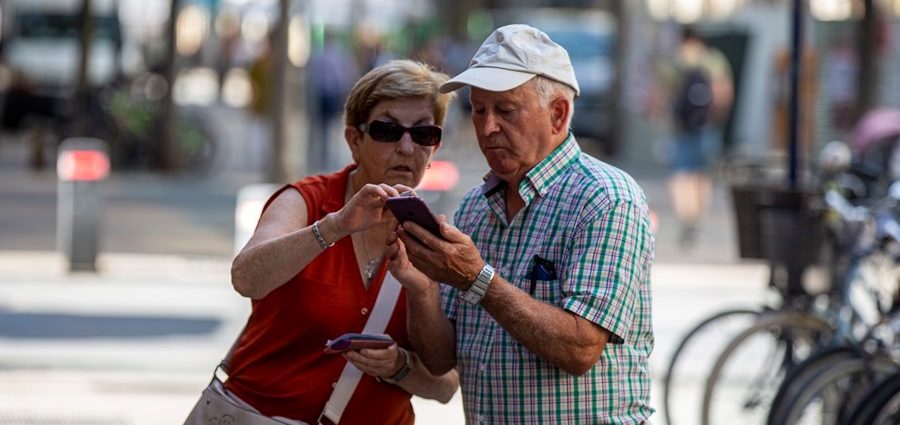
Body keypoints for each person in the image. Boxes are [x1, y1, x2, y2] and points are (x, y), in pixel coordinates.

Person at [385, 25, 655, 424]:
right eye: (478, 110)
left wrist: (477, 278)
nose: (488, 127)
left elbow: (581, 349)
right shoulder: (476, 207)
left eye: (506, 111)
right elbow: (441, 360)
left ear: (558, 114)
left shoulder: (606, 198)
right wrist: (422, 285)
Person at [226, 59, 458, 424]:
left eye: (424, 134)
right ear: (354, 140)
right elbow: (245, 278)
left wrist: (399, 365)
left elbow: (446, 385)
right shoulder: (308, 201)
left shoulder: (436, 235)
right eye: (387, 130)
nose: (408, 148)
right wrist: (333, 228)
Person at [659, 26, 734, 247]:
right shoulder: (713, 59)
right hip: (707, 124)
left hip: (681, 126)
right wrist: (716, 118)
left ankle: (686, 217)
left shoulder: (676, 59)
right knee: (702, 174)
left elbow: (663, 94)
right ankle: (698, 219)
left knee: (681, 173)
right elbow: (724, 92)